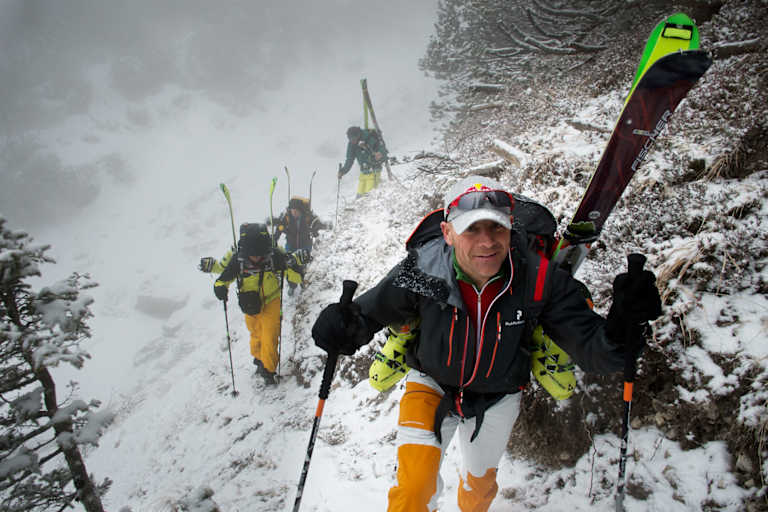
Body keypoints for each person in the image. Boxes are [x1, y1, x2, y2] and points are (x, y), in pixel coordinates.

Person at [311, 176, 662, 511]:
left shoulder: (539, 280)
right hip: (430, 387)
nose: (487, 241)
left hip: (498, 398)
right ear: (448, 233)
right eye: (471, 228)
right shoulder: (423, 270)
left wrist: (624, 328)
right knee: (413, 491)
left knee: (479, 490)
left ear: (510, 229)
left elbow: (595, 349)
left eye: (496, 227)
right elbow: (368, 314)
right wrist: (342, 328)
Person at [200, 223, 304, 386]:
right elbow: (223, 279)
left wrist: (298, 270)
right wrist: (219, 288)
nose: (256, 258)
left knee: (270, 336)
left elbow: (293, 273)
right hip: (250, 305)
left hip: (272, 301)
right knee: (256, 334)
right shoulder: (239, 259)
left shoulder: (273, 256)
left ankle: (268, 371)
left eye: (259, 254)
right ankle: (259, 359)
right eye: (253, 255)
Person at [272, 196, 328, 295]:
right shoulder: (287, 217)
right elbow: (280, 228)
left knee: (302, 266)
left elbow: (317, 224)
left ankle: (302, 281)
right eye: (292, 210)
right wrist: (275, 238)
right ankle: (292, 286)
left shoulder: (308, 217)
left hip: (305, 246)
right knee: (290, 267)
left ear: (301, 210)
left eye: (296, 211)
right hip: (290, 246)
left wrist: (321, 227)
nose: (294, 213)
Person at [338, 125, 389, 197]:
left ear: (358, 135)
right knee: (360, 197)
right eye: (349, 139)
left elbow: (382, 149)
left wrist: (379, 154)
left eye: (353, 138)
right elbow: (349, 159)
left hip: (374, 169)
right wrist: (343, 171)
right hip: (364, 171)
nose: (352, 141)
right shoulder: (352, 144)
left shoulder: (369, 138)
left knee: (369, 196)